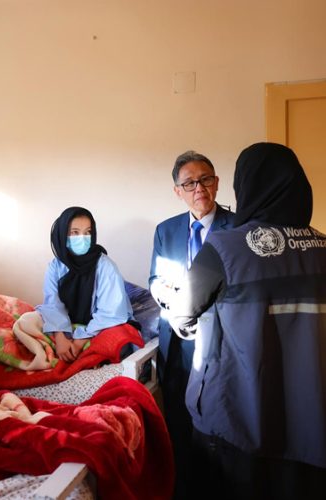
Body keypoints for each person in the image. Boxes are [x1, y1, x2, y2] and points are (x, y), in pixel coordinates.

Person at [171, 143, 326, 499]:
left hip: (238, 421)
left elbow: (183, 312)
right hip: (312, 424)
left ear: (245, 186)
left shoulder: (225, 248)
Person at [148, 150, 234, 498]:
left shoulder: (238, 228)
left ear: (217, 182)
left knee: (222, 420)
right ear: (177, 191)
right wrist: (169, 299)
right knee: (181, 424)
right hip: (178, 340)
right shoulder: (165, 230)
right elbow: (155, 280)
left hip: (223, 340)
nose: (199, 188)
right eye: (189, 183)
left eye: (205, 179)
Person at [36, 207, 136, 362]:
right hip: (69, 325)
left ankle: (80, 355)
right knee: (27, 321)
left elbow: (111, 312)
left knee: (118, 339)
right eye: (75, 232)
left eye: (88, 232)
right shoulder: (56, 266)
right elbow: (53, 305)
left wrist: (79, 342)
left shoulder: (105, 266)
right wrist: (60, 336)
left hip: (103, 325)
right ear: (62, 235)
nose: (82, 238)